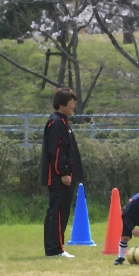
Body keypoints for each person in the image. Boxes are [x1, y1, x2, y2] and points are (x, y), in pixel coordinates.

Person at [41, 88, 85, 258]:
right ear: (63, 103)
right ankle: (55, 249)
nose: (74, 105)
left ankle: (54, 247)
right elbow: (57, 150)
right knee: (58, 212)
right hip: (60, 178)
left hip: (63, 177)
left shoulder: (63, 122)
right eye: (72, 101)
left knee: (57, 211)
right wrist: (64, 172)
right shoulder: (57, 123)